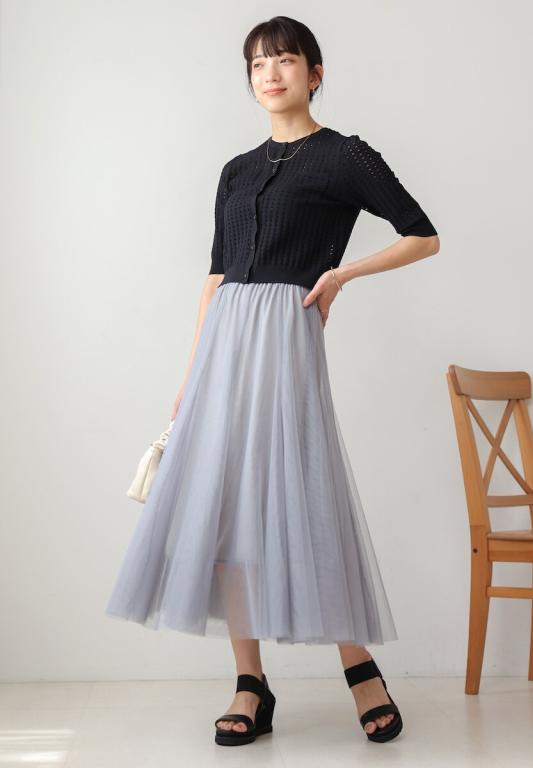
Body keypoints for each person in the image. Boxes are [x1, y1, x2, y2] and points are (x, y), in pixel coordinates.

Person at [105, 15, 440, 746]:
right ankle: (250, 683)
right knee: (227, 505)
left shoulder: (344, 155)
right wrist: (190, 375)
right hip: (224, 342)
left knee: (305, 493)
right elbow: (217, 275)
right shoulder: (236, 169)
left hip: (286, 337)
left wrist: (341, 275)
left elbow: (423, 235)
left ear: (314, 74)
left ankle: (360, 667)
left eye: (285, 60)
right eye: (258, 64)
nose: (271, 74)